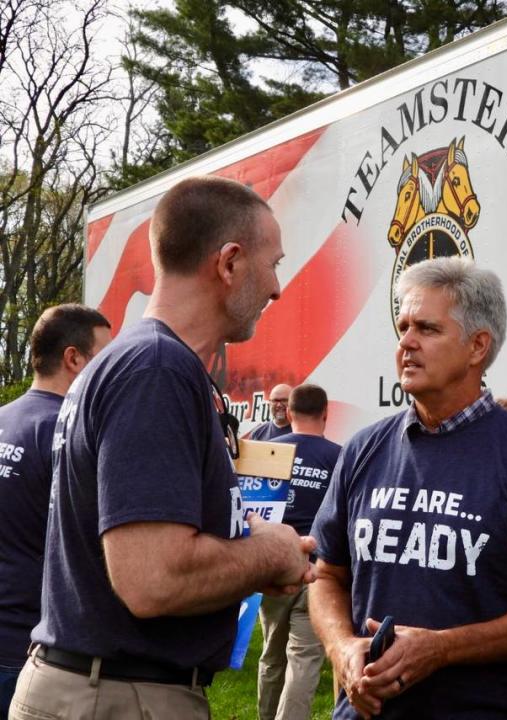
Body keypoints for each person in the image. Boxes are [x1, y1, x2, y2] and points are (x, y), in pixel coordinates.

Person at [10, 176, 317, 720]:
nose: (277, 288)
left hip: (108, 688)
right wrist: (271, 552)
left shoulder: (143, 363)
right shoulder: (157, 369)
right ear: (229, 263)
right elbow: (152, 579)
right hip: (119, 696)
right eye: (274, 264)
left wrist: (249, 546)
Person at [309, 257, 507, 720]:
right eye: (402, 327)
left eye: (427, 328)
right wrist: (342, 648)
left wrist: (442, 649)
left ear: (477, 346)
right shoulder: (363, 449)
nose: (406, 343)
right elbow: (327, 575)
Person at [0, 305, 111, 720]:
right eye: (104, 355)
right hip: (31, 651)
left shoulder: (5, 419)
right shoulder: (68, 434)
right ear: (73, 358)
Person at [259, 383, 342, 720]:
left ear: (289, 413)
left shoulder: (267, 453)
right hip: (317, 569)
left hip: (273, 566)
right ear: (326, 414)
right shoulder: (339, 456)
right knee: (304, 659)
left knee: (271, 655)